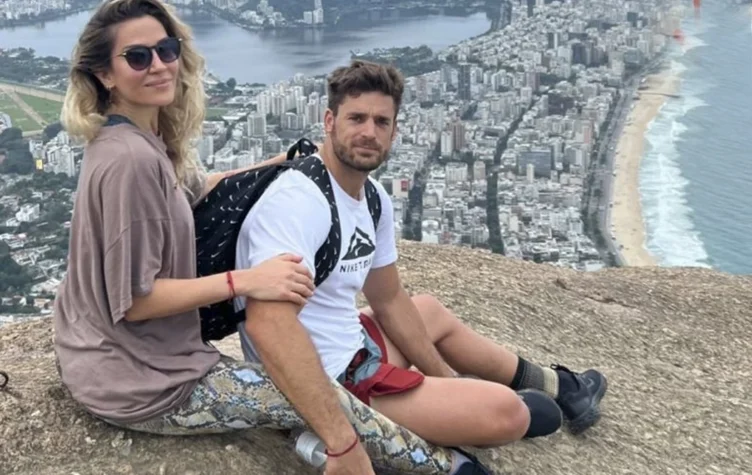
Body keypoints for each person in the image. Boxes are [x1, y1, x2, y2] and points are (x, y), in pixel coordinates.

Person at [233, 59, 609, 474]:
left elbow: (389, 298)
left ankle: (561, 387)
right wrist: (340, 430)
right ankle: (398, 445)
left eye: (381, 121)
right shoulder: (298, 203)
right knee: (510, 414)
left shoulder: (372, 197)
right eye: (356, 118)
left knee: (427, 311)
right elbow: (268, 325)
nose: (369, 132)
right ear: (329, 121)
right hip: (326, 382)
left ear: (395, 131)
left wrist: (447, 383)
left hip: (353, 348)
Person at [52, 0, 319, 446]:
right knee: (320, 396)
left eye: (166, 50)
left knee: (312, 390)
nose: (159, 65)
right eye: (138, 57)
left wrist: (280, 163)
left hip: (109, 356)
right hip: (138, 380)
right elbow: (137, 301)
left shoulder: (134, 135)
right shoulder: (131, 160)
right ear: (104, 74)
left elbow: (194, 188)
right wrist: (249, 280)